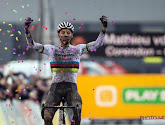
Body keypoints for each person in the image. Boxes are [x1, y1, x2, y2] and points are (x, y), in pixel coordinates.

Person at [24, 15, 108, 125]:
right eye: (63, 33)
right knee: (47, 116)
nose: (65, 35)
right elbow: (32, 45)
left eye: (68, 33)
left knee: (77, 109)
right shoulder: (51, 49)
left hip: (71, 89)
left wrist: (104, 28)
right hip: (55, 89)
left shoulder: (78, 49)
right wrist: (26, 30)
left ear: (72, 35)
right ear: (58, 35)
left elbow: (98, 43)